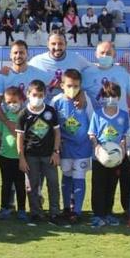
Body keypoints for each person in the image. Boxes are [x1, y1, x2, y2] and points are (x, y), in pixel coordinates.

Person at [16, 80, 65, 226]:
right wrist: (21, 158)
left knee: (53, 184)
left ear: (45, 95)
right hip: (30, 156)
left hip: (48, 155)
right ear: (28, 95)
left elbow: (57, 133)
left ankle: (55, 213)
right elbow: (20, 137)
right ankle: (36, 213)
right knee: (32, 185)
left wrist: (56, 152)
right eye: (34, 95)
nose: (37, 98)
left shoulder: (50, 111)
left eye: (41, 95)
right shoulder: (23, 114)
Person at [51, 69, 93, 225]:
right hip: (64, 148)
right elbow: (51, 124)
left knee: (79, 177)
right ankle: (67, 208)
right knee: (67, 176)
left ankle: (77, 211)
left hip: (82, 148)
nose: (72, 89)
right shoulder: (56, 101)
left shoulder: (85, 100)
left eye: (76, 86)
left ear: (80, 86)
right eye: (69, 85)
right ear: (62, 85)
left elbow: (92, 121)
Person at [88, 82, 130, 228]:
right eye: (107, 96)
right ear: (103, 97)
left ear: (119, 97)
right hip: (100, 157)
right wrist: (97, 146)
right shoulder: (97, 114)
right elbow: (92, 134)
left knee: (112, 185)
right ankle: (98, 215)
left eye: (114, 96)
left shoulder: (124, 115)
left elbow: (125, 134)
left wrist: (123, 148)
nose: (111, 99)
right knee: (98, 185)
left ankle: (108, 213)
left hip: (117, 157)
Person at [0, 40, 51, 133]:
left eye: (22, 52)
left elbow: (60, 83)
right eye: (15, 52)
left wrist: (79, 93)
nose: (18, 55)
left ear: (27, 54)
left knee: (38, 146)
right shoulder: (2, 76)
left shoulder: (39, 73)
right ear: (10, 55)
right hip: (12, 121)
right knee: (8, 147)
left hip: (34, 122)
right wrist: (8, 123)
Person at [0, 87, 26, 221]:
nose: (12, 105)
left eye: (14, 101)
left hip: (20, 158)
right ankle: (4, 207)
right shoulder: (3, 118)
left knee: (20, 184)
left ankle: (22, 210)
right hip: (4, 157)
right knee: (6, 183)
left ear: (21, 100)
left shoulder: (24, 116)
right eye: (8, 102)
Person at [28, 30, 91, 100]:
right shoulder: (36, 61)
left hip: (68, 107)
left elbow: (92, 75)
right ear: (48, 44)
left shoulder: (77, 59)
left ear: (66, 44)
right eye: (53, 44)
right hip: (44, 108)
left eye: (60, 44)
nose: (57, 47)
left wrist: (82, 93)